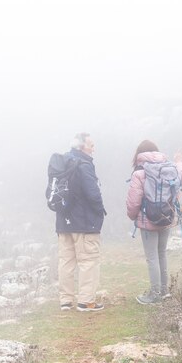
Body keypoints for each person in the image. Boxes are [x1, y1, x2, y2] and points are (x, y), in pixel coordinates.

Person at [126, 140, 182, 304]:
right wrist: (179, 162)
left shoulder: (139, 173)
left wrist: (133, 216)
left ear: (139, 154)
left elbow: (133, 202)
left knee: (152, 257)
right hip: (166, 216)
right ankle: (163, 291)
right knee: (161, 253)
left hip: (148, 220)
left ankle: (154, 294)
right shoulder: (168, 168)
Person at [56, 132, 106, 312]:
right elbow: (93, 193)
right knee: (88, 260)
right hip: (84, 222)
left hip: (63, 221)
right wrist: (100, 211)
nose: (93, 148)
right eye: (91, 145)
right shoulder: (84, 165)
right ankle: (86, 301)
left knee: (66, 261)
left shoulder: (62, 163)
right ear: (81, 146)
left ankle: (66, 301)